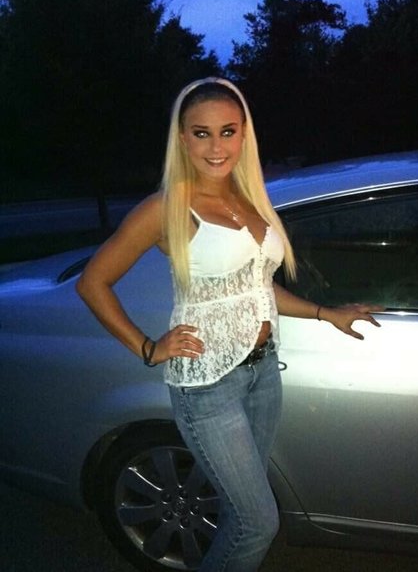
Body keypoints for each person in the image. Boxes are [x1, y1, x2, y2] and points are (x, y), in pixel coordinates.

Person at [76, 77, 382, 572]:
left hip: (262, 374)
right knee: (258, 523)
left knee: (241, 510)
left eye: (227, 131)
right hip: (208, 386)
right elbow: (93, 282)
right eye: (201, 133)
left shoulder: (248, 198)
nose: (216, 146)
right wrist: (148, 348)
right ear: (182, 139)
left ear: (244, 135)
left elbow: (257, 288)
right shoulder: (166, 208)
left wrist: (327, 314)